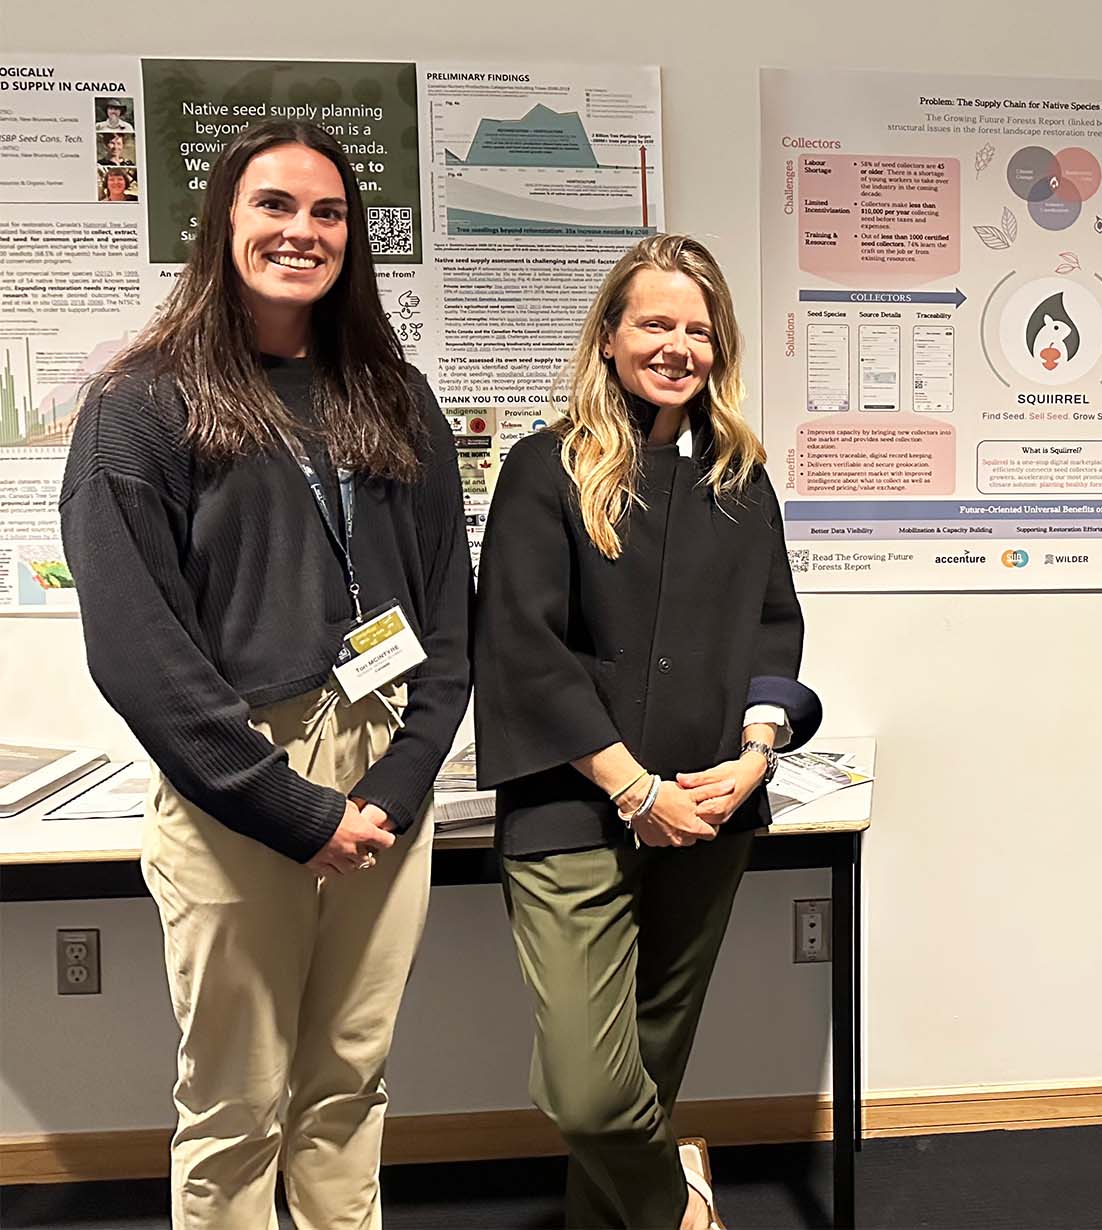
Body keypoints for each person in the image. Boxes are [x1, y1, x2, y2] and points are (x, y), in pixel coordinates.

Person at [60, 120, 470, 1228]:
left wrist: (392, 789)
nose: (302, 231)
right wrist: (292, 809)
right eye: (274, 206)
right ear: (223, 224)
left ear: (353, 236)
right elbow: (138, 654)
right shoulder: (139, 406)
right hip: (238, 779)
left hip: (386, 772)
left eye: (327, 212)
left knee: (348, 1083)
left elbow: (448, 619)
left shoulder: (393, 394)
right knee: (235, 1102)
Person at [474, 233, 818, 1230]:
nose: (676, 346)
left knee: (651, 1070)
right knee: (588, 1089)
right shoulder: (546, 468)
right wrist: (633, 788)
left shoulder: (737, 477)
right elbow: (522, 648)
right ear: (611, 336)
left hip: (708, 807)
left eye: (697, 329)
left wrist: (755, 756)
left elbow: (772, 624)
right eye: (655, 323)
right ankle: (684, 1205)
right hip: (572, 808)